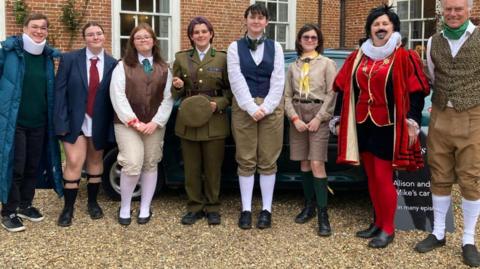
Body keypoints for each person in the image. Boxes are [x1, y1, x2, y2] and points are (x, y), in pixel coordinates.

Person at [330, 4, 429, 248]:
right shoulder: (358, 56)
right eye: (376, 24)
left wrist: (412, 119)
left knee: (384, 177)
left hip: (388, 124)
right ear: (370, 29)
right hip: (362, 123)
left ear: (393, 27)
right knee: (371, 176)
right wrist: (337, 117)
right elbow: (344, 88)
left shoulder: (405, 56)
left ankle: (388, 228)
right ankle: (377, 222)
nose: (381, 27)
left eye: (385, 23)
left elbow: (417, 91)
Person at [414, 0, 480, 266]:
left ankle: (468, 240)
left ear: (470, 11)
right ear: (442, 11)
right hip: (440, 114)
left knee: (471, 178)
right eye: (448, 9)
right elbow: (432, 76)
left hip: (473, 115)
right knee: (438, 174)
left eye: (458, 9)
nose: (452, 14)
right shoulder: (432, 42)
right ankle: (438, 232)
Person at [0, 13, 63, 232]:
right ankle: (8, 211)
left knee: (32, 166)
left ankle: (25, 205)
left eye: (43, 28)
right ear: (25, 28)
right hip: (14, 121)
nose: (39, 31)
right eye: (34, 27)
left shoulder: (46, 56)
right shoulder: (9, 52)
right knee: (15, 167)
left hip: (39, 122)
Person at [227, 3, 285, 230]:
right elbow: (236, 78)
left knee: (268, 159)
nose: (256, 21)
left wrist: (267, 107)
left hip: (271, 108)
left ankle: (266, 210)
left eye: (261, 18)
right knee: (246, 158)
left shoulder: (276, 47)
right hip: (244, 108)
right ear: (246, 20)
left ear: (266, 22)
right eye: (253, 17)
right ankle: (246, 209)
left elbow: (279, 79)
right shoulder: (234, 47)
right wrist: (251, 107)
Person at [54, 22, 117, 227]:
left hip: (99, 121)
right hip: (74, 121)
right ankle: (68, 208)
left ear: (104, 36)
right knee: (74, 161)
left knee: (95, 161)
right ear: (85, 38)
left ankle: (92, 203)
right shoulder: (70, 59)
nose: (95, 37)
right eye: (90, 34)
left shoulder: (113, 63)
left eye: (98, 33)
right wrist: (60, 122)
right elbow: (59, 93)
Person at [110, 23, 173, 226]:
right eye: (138, 38)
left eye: (146, 37)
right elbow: (117, 95)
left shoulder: (164, 68)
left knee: (150, 163)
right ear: (133, 43)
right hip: (127, 124)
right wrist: (134, 121)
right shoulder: (122, 66)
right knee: (132, 163)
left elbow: (168, 97)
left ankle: (145, 206)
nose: (143, 41)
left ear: (154, 41)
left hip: (154, 125)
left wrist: (156, 122)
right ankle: (126, 205)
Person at [171, 17, 231, 226]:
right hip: (188, 121)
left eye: (204, 31)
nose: (200, 35)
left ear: (211, 34)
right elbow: (174, 94)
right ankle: (194, 207)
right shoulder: (181, 58)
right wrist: (177, 85)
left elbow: (230, 91)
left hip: (214, 120)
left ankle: (213, 207)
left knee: (213, 168)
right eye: (196, 32)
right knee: (192, 168)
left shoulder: (223, 58)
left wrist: (219, 103)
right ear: (190, 36)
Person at [284, 23, 337, 236]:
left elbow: (333, 92)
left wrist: (320, 118)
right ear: (299, 40)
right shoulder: (293, 66)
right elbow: (286, 96)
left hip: (318, 114)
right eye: (306, 37)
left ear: (318, 40)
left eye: (313, 38)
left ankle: (323, 213)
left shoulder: (327, 64)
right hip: (298, 113)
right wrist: (294, 117)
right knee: (304, 162)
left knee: (317, 162)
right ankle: (309, 206)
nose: (309, 40)